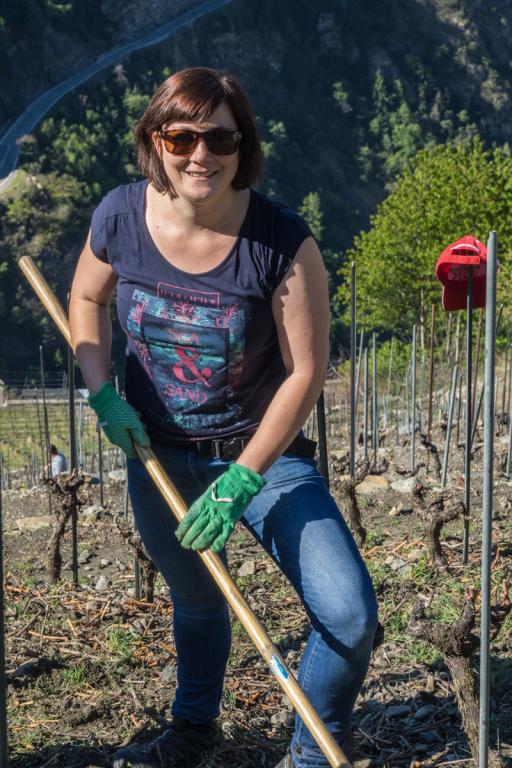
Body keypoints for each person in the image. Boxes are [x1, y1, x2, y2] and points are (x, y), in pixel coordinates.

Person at [69, 67, 378, 768]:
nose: (200, 155)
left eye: (221, 139)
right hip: (158, 453)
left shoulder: (281, 243)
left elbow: (305, 372)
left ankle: (311, 753)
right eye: (181, 137)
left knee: (349, 613)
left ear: (245, 148)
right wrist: (102, 392)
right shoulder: (120, 217)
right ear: (155, 140)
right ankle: (193, 730)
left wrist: (244, 475)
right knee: (198, 600)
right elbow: (86, 299)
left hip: (264, 458)